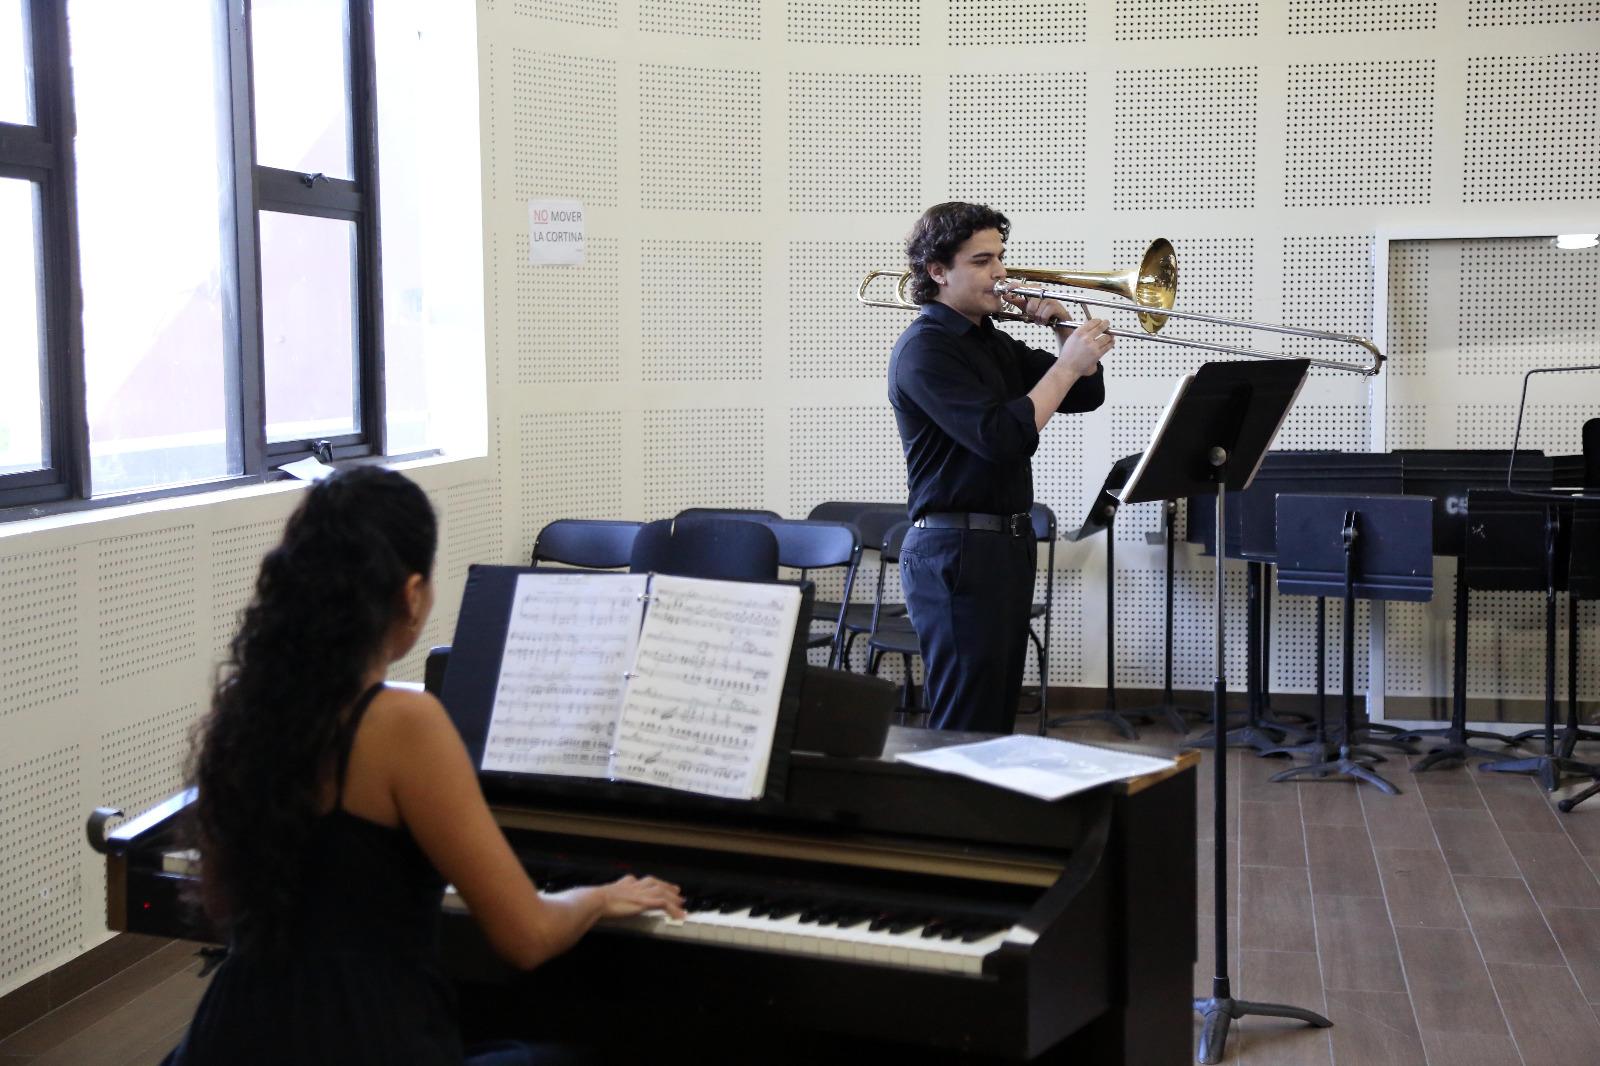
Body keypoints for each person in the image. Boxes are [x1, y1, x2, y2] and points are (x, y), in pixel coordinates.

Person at [167, 466, 685, 1066]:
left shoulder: (246, 710)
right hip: (359, 1038)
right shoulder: (404, 725)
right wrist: (600, 896)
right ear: (411, 595)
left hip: (231, 1036)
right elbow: (527, 937)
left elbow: (225, 903)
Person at [887, 202, 1111, 733]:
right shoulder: (926, 350)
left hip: (1001, 547)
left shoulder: (990, 341)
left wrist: (1062, 332)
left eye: (1001, 258)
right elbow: (1003, 438)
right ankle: (945, 815)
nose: (1002, 273)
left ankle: (981, 814)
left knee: (993, 717)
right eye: (983, 261)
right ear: (938, 271)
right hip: (955, 553)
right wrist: (1065, 363)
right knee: (967, 718)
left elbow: (1085, 395)